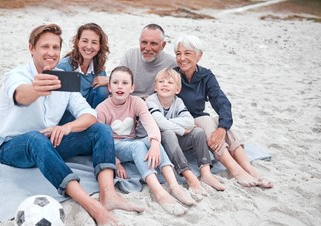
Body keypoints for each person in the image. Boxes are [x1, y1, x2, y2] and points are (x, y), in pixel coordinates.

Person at [0, 23, 144, 226]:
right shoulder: (17, 76)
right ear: (31, 49)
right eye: (45, 47)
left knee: (101, 129)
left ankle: (108, 194)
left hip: (49, 142)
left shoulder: (64, 79)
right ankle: (92, 205)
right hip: (13, 147)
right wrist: (36, 89)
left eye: (55, 48)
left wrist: (67, 128)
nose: (51, 52)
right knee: (36, 138)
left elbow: (89, 114)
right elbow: (21, 95)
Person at [173, 34, 273, 188]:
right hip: (182, 124)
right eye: (178, 54)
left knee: (220, 122)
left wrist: (222, 128)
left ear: (199, 56)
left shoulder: (206, 75)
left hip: (201, 122)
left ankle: (248, 168)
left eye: (187, 53)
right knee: (207, 121)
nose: (182, 58)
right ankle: (235, 170)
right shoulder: (173, 75)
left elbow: (222, 102)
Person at [96, 66, 196, 216]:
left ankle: (174, 186)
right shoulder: (102, 109)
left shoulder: (136, 102)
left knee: (150, 141)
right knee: (138, 145)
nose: (120, 87)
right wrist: (116, 162)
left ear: (132, 88)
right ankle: (159, 193)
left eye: (125, 83)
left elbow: (151, 124)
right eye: (115, 83)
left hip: (132, 141)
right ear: (109, 87)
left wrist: (155, 144)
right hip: (115, 146)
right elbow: (100, 142)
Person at [146, 68, 226, 194]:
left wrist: (168, 122)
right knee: (168, 132)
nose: (165, 84)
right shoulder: (151, 100)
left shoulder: (178, 102)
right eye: (161, 81)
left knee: (198, 132)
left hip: (176, 139)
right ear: (155, 87)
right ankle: (188, 174)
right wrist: (181, 130)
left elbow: (190, 121)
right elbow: (159, 123)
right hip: (159, 142)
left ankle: (206, 172)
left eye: (170, 82)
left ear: (177, 90)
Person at [57, 23, 110, 124]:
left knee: (103, 90)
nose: (89, 46)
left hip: (90, 114)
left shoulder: (98, 69)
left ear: (99, 46)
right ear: (77, 42)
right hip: (66, 117)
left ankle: (94, 122)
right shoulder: (64, 67)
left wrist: (110, 81)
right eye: (85, 41)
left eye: (94, 42)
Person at [120, 23, 177, 99]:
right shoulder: (129, 56)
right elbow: (119, 83)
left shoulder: (172, 64)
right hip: (129, 101)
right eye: (144, 42)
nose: (147, 48)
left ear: (163, 45)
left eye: (153, 44)